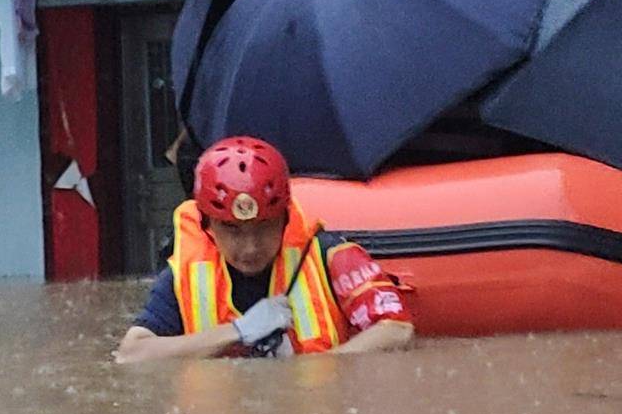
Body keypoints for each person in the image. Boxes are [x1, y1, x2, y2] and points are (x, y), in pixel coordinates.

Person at [117, 136, 419, 362]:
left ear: (286, 219)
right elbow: (132, 354)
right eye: (232, 230)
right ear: (207, 226)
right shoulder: (185, 274)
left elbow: (397, 329)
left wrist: (314, 368)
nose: (249, 247)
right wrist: (238, 331)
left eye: (264, 227)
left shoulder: (330, 255)